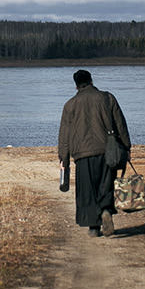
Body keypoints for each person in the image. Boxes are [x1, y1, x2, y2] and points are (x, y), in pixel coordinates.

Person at [58, 69, 131, 237]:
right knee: (105, 185)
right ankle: (105, 210)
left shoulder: (70, 105)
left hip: (82, 155)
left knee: (87, 191)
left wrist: (64, 158)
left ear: (76, 86)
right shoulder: (107, 98)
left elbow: (64, 135)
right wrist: (126, 147)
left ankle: (93, 227)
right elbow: (120, 124)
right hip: (108, 150)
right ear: (91, 81)